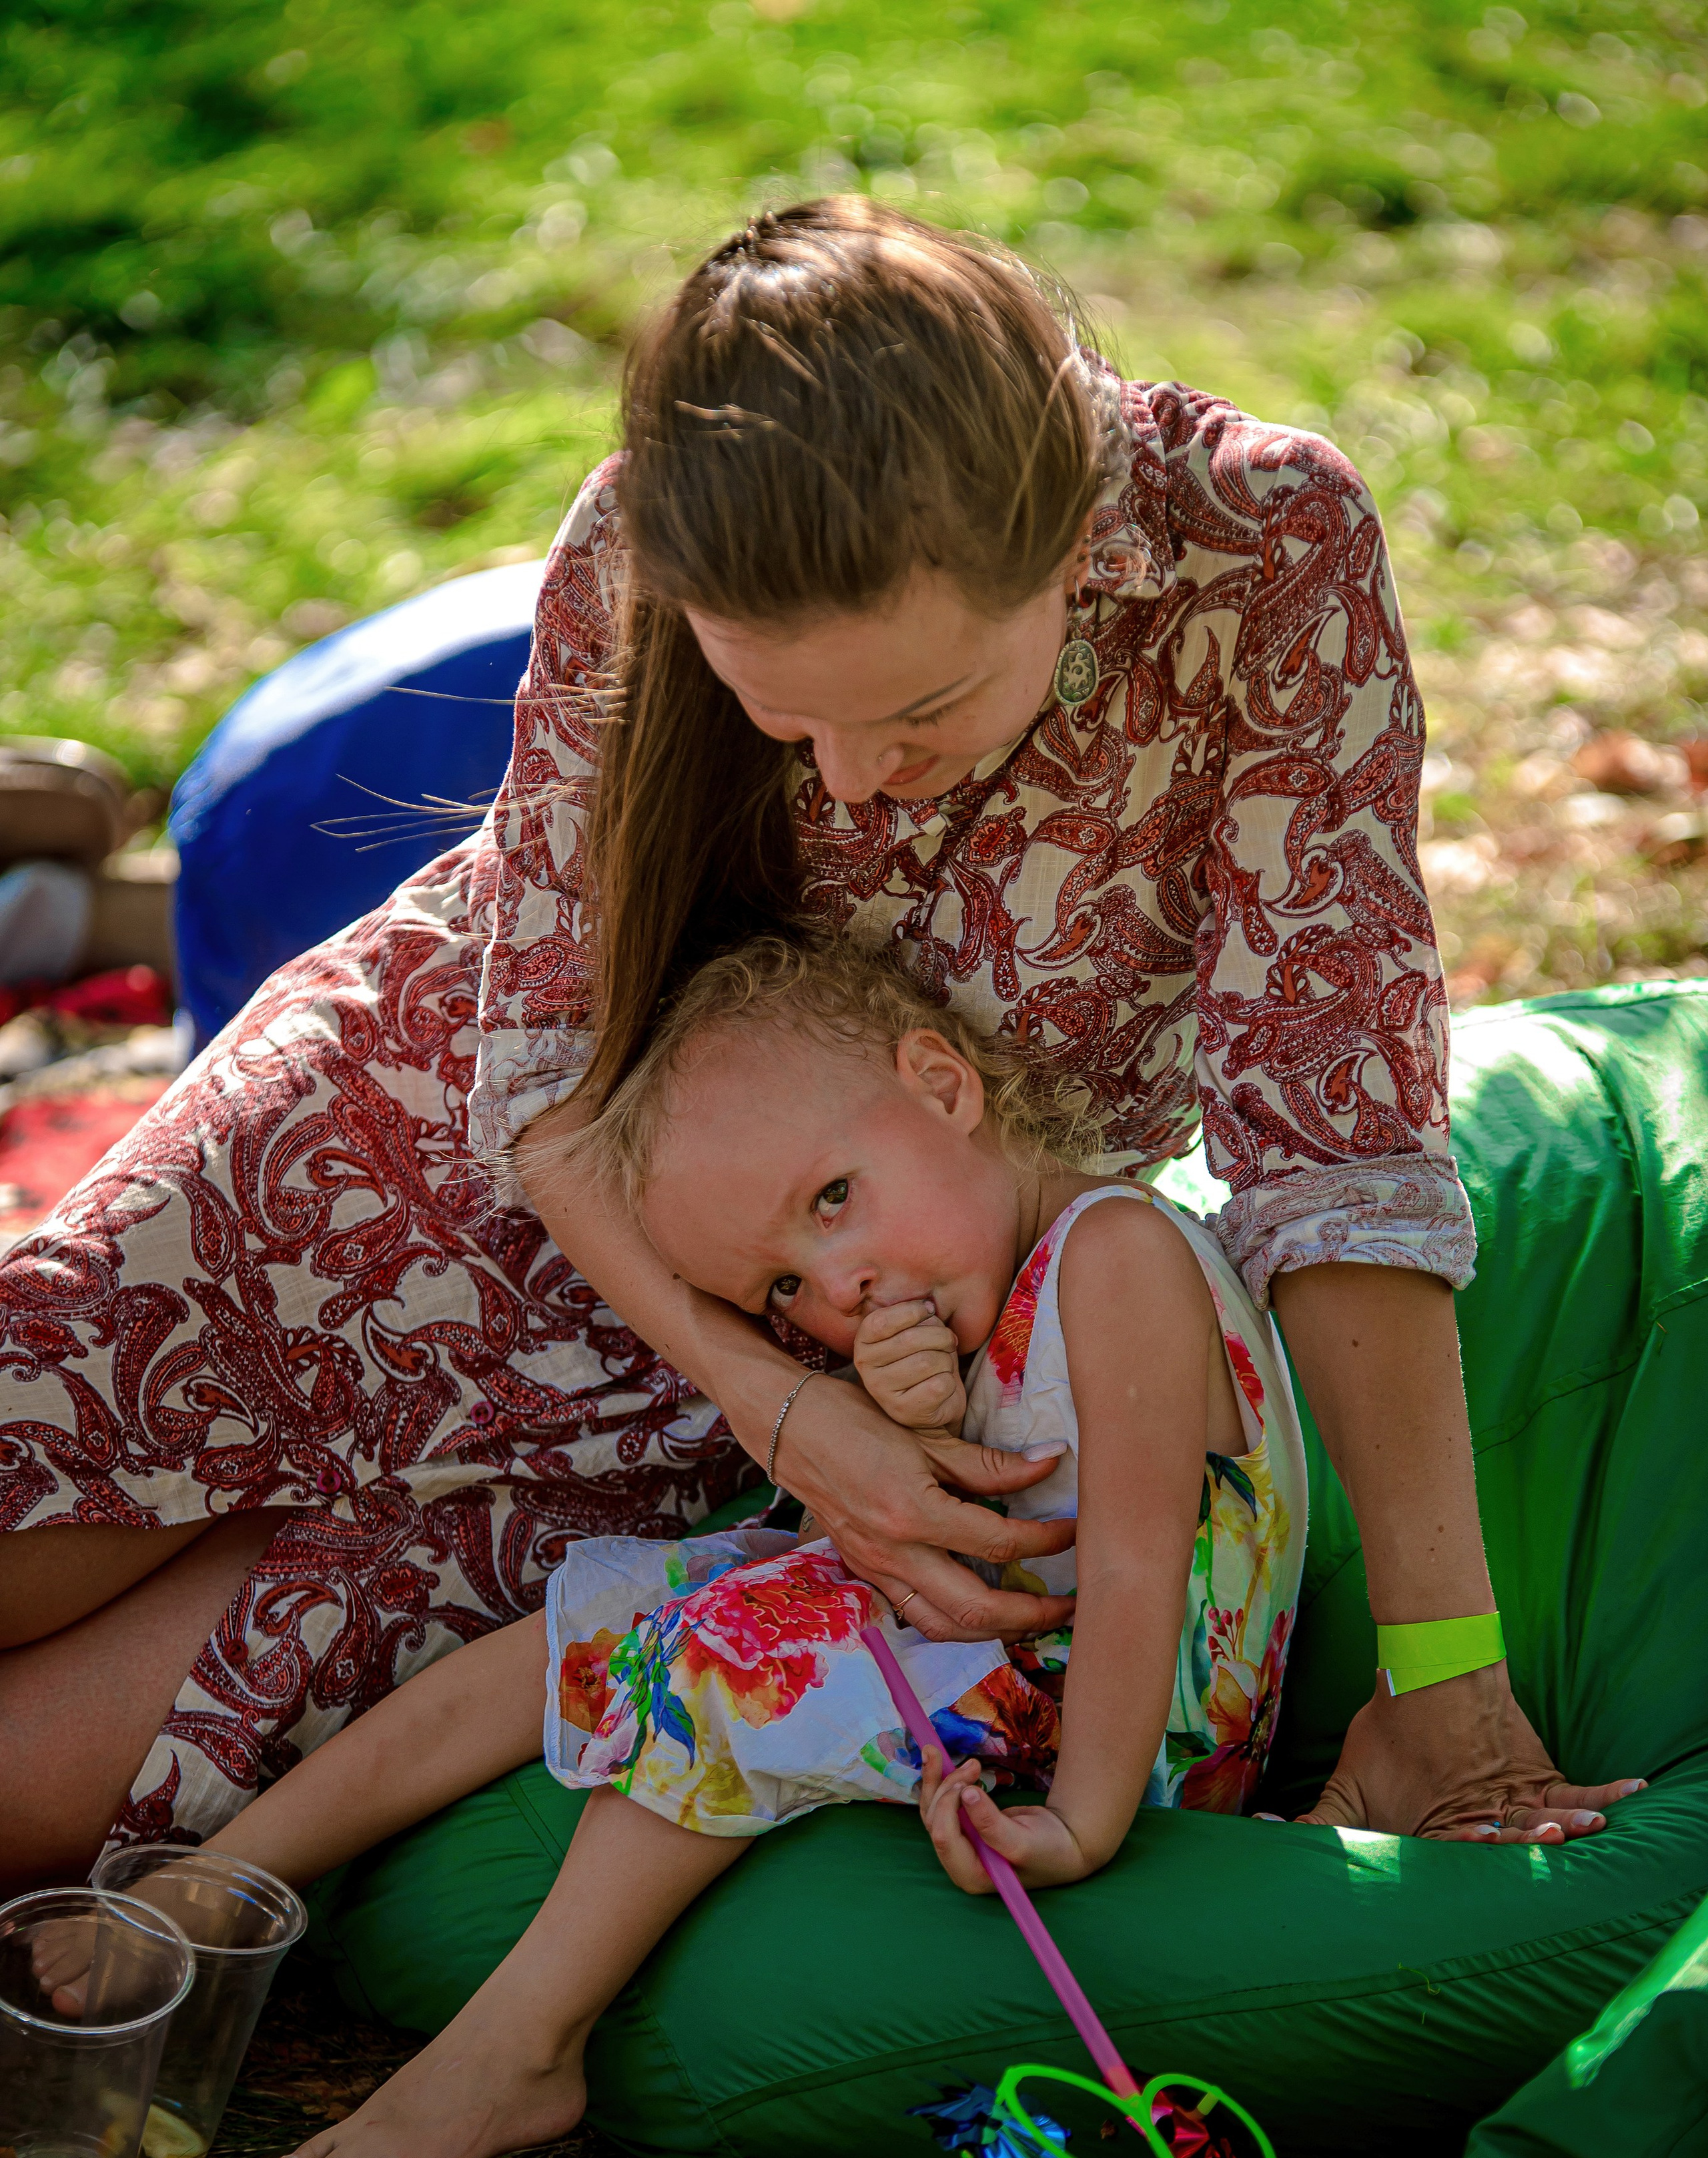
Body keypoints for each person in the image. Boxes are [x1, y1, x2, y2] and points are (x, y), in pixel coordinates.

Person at [0, 197, 1638, 1894]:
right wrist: (783, 1417)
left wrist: (1441, 1679)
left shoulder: (1265, 553)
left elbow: (1335, 1138)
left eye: (918, 712)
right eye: (787, 721)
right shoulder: (642, 530)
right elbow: (545, 1068)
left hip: (731, 1335)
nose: (846, 782)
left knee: (34, 1797)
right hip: (389, 1165)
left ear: (1079, 542)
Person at [168, 936, 1309, 2158]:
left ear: (944, 1085)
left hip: (1130, 1728)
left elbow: (1142, 1568)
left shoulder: (1118, 1255)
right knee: (596, 1613)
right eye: (786, 1289)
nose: (840, 1288)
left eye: (833, 1201)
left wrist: (1083, 1827)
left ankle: (519, 2049)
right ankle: (225, 1881)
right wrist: (917, 1415)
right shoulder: (974, 1289)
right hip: (983, 1645)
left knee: (730, 1649)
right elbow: (968, 1502)